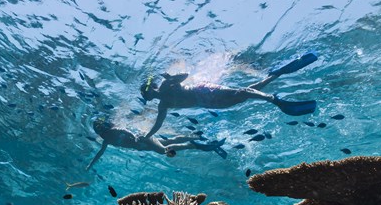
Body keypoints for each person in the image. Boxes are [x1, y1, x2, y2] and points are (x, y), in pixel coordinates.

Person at [140, 52, 319, 138]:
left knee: (242, 92)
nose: (146, 96)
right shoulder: (162, 105)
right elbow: (158, 124)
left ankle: (273, 99)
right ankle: (277, 73)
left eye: (145, 92)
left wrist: (171, 78)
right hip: (209, 104)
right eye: (145, 95)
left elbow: (185, 76)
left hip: (203, 90)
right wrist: (147, 136)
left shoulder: (166, 84)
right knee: (246, 93)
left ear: (151, 87)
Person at [86, 116, 225, 170]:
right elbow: (100, 153)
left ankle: (198, 145)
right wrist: (91, 164)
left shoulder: (112, 132)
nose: (99, 130)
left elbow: (124, 130)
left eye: (99, 127)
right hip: (142, 145)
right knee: (170, 141)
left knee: (163, 150)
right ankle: (198, 138)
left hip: (143, 139)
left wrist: (134, 137)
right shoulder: (106, 139)